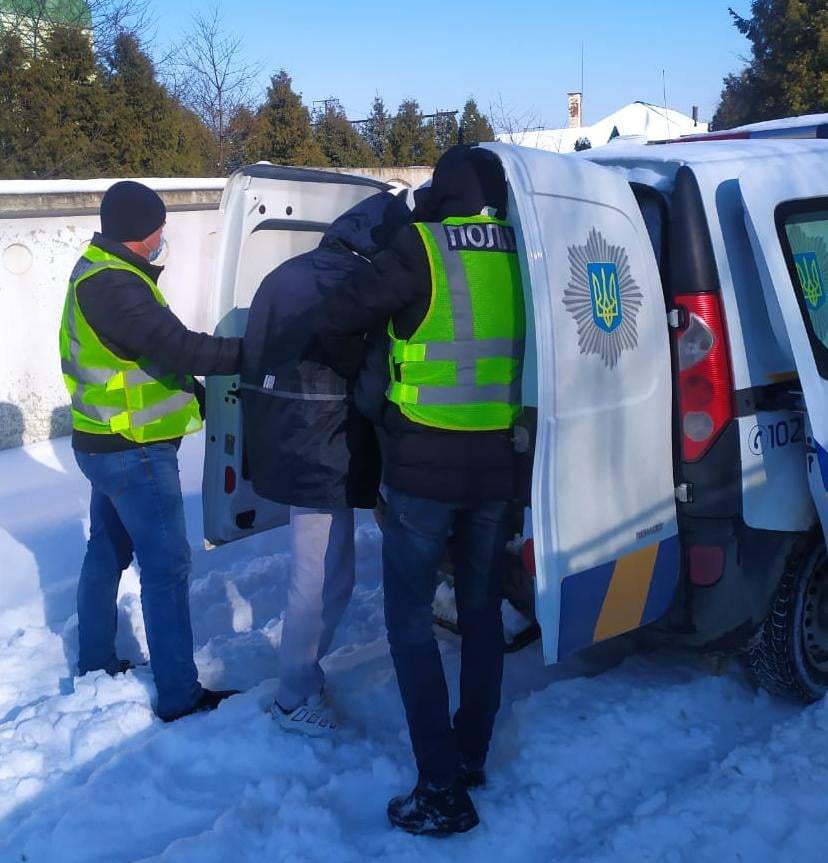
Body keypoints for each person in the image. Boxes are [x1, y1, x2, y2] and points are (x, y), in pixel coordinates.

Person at [319, 146, 525, 836]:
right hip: (497, 466)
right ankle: (469, 756)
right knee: (480, 613)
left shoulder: (421, 248)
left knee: (409, 622)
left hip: (423, 472)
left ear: (442, 191)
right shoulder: (522, 248)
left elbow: (344, 309)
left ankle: (441, 787)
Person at [60, 180, 241, 722]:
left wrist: (195, 389)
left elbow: (150, 357)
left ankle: (94, 661)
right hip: (132, 451)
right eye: (161, 226)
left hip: (103, 442)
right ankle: (180, 695)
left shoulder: (97, 268)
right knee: (165, 567)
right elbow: (179, 345)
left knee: (107, 552)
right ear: (145, 231)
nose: (165, 235)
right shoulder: (117, 285)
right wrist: (253, 352)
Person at [241, 191, 411, 735]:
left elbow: (256, 356)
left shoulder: (281, 275)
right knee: (321, 576)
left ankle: (301, 680)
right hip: (328, 446)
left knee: (321, 569)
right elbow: (368, 375)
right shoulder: (361, 285)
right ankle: (295, 695)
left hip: (284, 441)